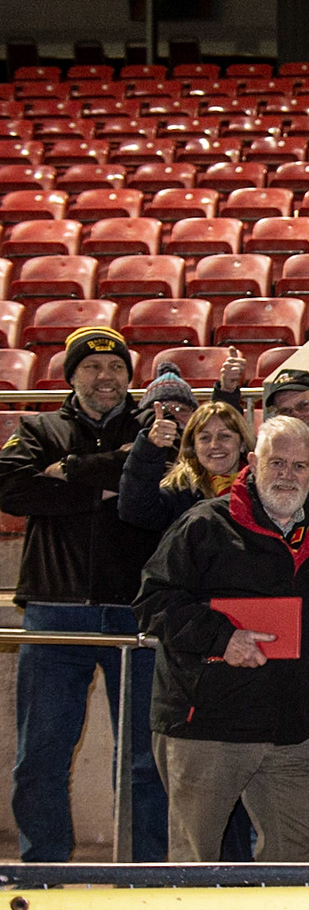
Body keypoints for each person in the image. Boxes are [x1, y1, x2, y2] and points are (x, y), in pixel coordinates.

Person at [137, 416, 309, 861]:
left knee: (306, 860)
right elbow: (152, 601)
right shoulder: (205, 524)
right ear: (252, 464)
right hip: (208, 726)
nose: (287, 475)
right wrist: (222, 638)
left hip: (289, 728)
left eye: (298, 466)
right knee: (193, 866)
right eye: (277, 463)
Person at [0, 326, 167, 862]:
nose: (106, 377)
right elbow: (10, 485)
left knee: (144, 757)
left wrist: (70, 472)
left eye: (116, 367)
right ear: (71, 376)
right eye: (93, 368)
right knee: (40, 753)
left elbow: (163, 480)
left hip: (135, 612)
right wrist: (107, 484)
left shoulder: (153, 426)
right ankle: (42, 868)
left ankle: (145, 870)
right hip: (54, 609)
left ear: (129, 375)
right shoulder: (37, 426)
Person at [119, 386, 251, 532]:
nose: (214, 445)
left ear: (242, 444)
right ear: (193, 447)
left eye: (224, 436)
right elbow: (135, 512)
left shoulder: (261, 488)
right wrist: (150, 448)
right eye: (205, 438)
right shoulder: (180, 493)